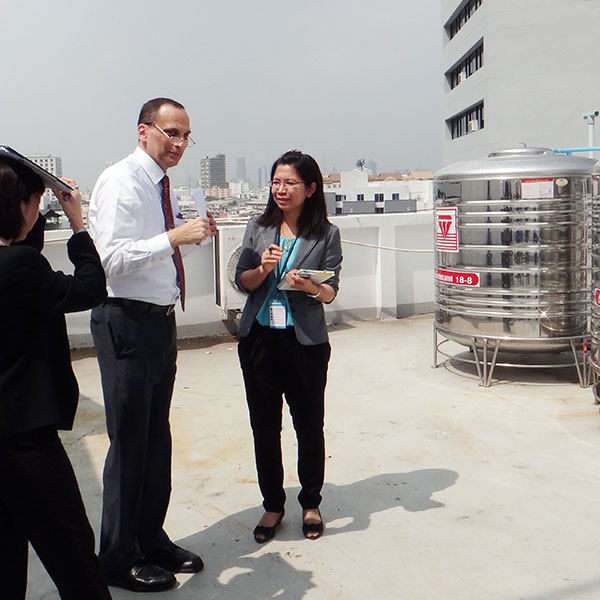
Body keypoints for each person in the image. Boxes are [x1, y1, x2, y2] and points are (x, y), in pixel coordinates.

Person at [88, 97, 217, 592]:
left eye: (185, 135)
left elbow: (160, 247)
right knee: (129, 443)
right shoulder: (121, 181)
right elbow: (111, 260)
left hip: (159, 322)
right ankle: (117, 557)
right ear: (143, 131)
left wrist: (188, 235)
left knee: (155, 438)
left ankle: (149, 537)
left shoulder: (159, 184)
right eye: (171, 133)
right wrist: (174, 237)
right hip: (126, 321)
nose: (179, 143)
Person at [0, 154, 111, 599]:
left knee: (7, 553)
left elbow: (23, 242)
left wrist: (40, 200)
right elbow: (90, 288)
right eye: (34, 201)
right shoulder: (19, 268)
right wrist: (78, 225)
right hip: (24, 440)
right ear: (19, 205)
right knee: (72, 551)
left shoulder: (13, 262)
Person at [235, 150, 342, 543]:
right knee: (264, 428)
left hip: (305, 344)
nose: (280, 189)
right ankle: (272, 505)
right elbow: (242, 282)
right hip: (259, 340)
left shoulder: (326, 234)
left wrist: (309, 285)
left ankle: (310, 502)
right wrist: (263, 268)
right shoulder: (257, 227)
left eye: (290, 182)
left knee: (309, 426)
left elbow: (330, 292)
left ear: (310, 189)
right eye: (276, 182)